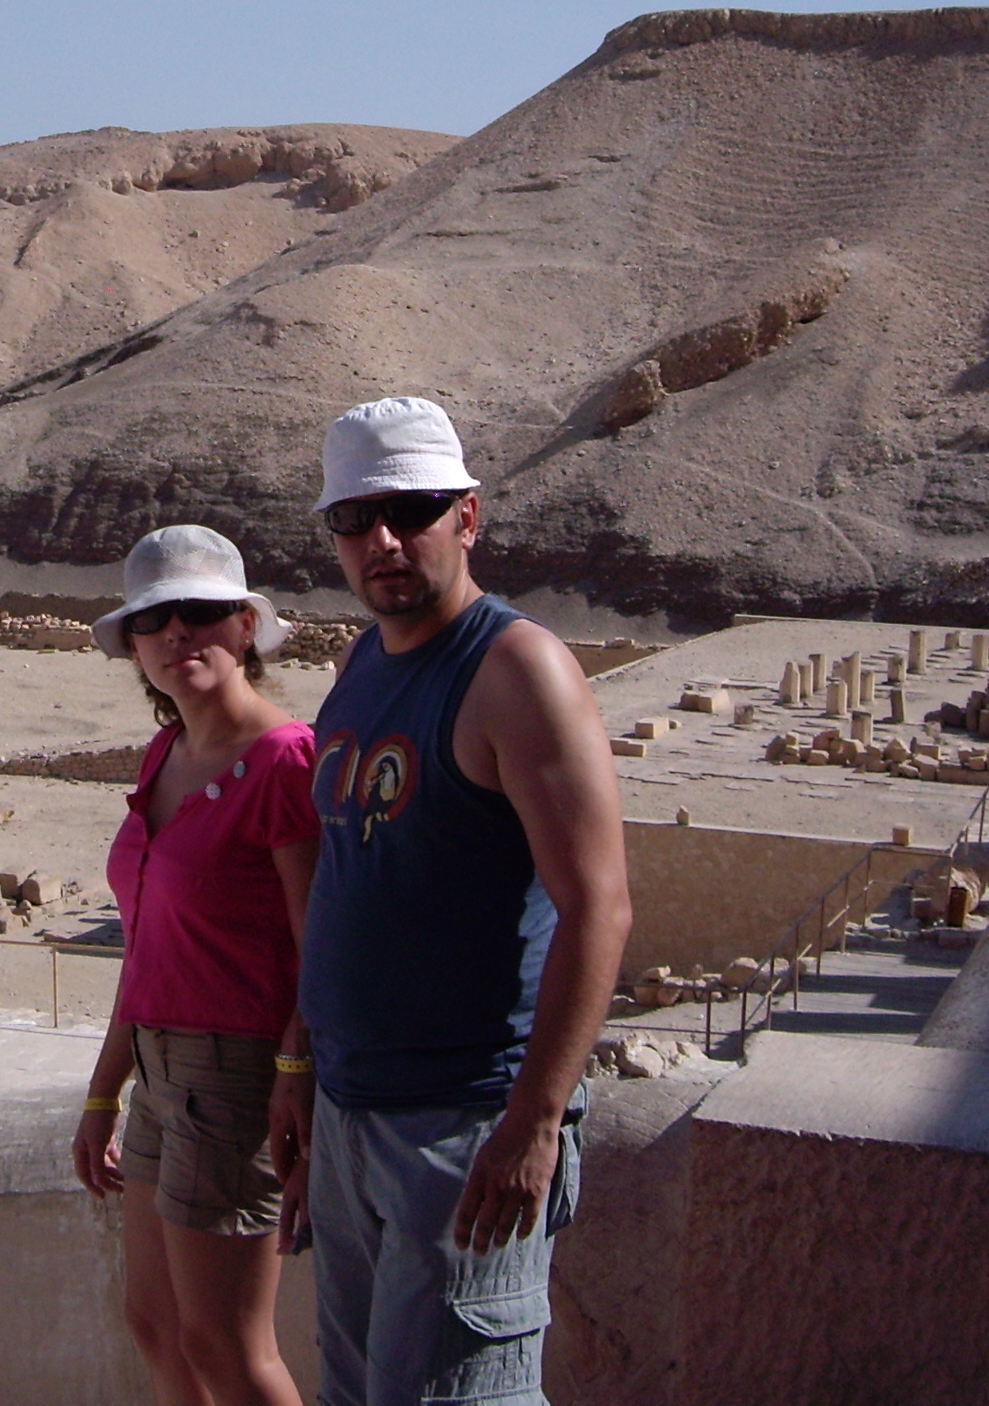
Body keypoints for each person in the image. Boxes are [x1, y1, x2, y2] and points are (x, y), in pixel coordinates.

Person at [298, 398, 632, 1406]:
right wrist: (301, 1067)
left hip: (464, 1121)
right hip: (348, 1111)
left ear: (468, 517)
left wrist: (533, 1122)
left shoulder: (516, 671)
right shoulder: (364, 660)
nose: (382, 541)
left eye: (411, 511)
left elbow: (598, 907)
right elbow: (348, 875)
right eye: (354, 519)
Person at [73, 526, 320, 1406]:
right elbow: (145, 943)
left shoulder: (286, 760)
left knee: (225, 1344)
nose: (177, 632)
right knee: (156, 1322)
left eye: (201, 611)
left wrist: (295, 1073)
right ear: (135, 647)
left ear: (246, 626)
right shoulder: (166, 754)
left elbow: (321, 943)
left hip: (240, 1075)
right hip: (159, 1068)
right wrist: (103, 1092)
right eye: (153, 619)